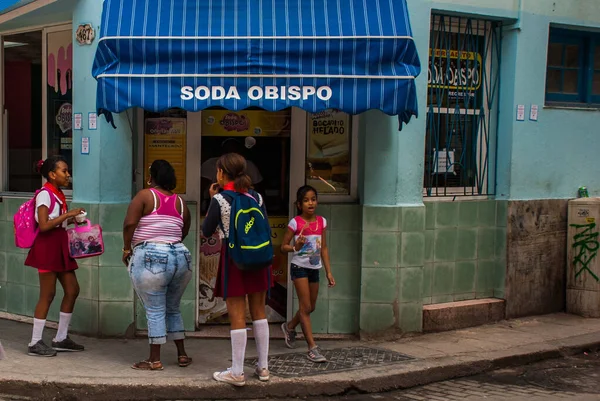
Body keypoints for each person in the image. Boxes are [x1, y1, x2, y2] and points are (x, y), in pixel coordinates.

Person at [202, 153, 271, 387]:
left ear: (222, 172)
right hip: (259, 256)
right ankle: (263, 368)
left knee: (237, 315)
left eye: (217, 171)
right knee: (259, 312)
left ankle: (238, 372)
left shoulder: (220, 199)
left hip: (234, 258)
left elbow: (206, 229)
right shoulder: (257, 197)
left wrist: (212, 197)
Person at [122, 159, 193, 371]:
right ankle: (182, 355)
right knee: (172, 308)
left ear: (152, 177)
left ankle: (154, 359)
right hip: (181, 256)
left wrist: (127, 248)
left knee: (154, 310)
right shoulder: (181, 202)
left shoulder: (145, 195)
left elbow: (129, 223)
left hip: (152, 254)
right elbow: (183, 231)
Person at [24, 155, 86, 357]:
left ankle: (60, 338)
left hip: (61, 245)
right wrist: (68, 215)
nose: (68, 174)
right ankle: (35, 342)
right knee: (47, 294)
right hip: (47, 246)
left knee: (72, 289)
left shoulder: (58, 193)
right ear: (52, 175)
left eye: (67, 171)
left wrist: (73, 219)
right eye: (64, 171)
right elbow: (43, 225)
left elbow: (57, 222)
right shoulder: (45, 194)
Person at [280, 185, 335, 363]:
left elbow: (324, 248)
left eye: (313, 199)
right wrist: (295, 247)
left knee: (311, 307)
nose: (310, 203)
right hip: (299, 268)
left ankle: (289, 327)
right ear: (299, 204)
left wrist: (328, 272)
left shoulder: (321, 222)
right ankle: (312, 348)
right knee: (305, 308)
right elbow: (283, 246)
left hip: (315, 269)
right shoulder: (295, 223)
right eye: (306, 200)